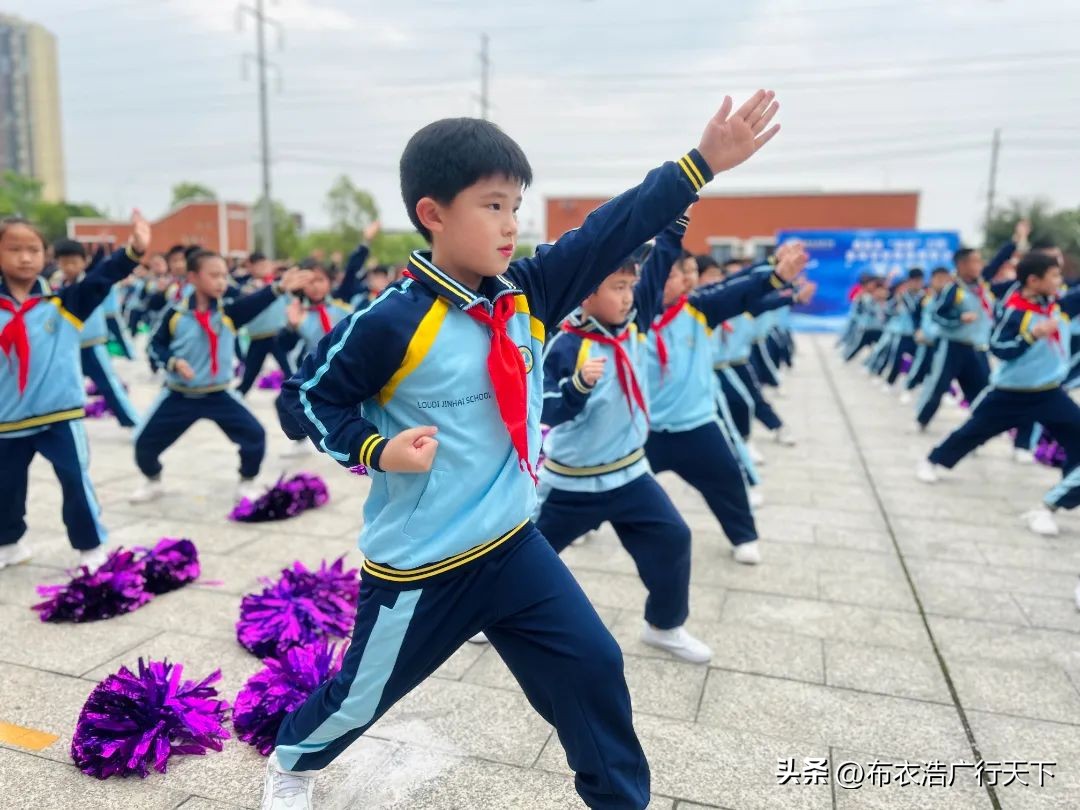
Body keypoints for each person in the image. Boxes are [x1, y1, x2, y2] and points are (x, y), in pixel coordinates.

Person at [265, 92, 782, 810]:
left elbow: (609, 231)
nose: (511, 226)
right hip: (423, 566)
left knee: (594, 668)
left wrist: (699, 167)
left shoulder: (528, 295)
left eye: (516, 207)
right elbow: (303, 401)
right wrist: (378, 449)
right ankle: (290, 761)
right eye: (492, 206)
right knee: (357, 700)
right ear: (433, 214)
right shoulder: (390, 321)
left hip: (512, 544)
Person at [0, 211, 150, 570]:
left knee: (74, 479)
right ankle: (9, 543)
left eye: (33, 249)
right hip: (7, 419)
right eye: (14, 249)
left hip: (59, 415)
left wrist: (133, 251)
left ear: (44, 254)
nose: (24, 257)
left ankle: (90, 547)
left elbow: (101, 278)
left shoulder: (63, 304)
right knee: (5, 489)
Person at [916, 253, 1080, 537]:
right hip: (1010, 393)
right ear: (1033, 280)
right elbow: (999, 348)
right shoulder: (1015, 311)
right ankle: (932, 460)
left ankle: (1053, 502)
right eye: (1054, 276)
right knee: (972, 432)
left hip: (1049, 393)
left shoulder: (1058, 307)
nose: (1059, 281)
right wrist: (1032, 335)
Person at [130, 252, 310, 504]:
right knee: (143, 443)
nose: (221, 282)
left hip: (219, 393)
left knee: (255, 435)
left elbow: (254, 303)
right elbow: (154, 346)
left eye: (224, 276)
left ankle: (246, 483)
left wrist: (278, 288)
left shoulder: (228, 312)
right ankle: (153, 480)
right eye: (214, 275)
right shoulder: (175, 314)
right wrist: (173, 362)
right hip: (180, 394)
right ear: (192, 277)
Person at [52, 240, 141, 428]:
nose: (69, 267)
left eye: (74, 262)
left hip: (91, 344)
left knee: (109, 385)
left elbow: (109, 270)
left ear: (84, 262)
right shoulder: (55, 288)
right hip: (67, 347)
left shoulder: (91, 283)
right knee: (64, 388)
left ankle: (132, 422)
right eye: (64, 262)